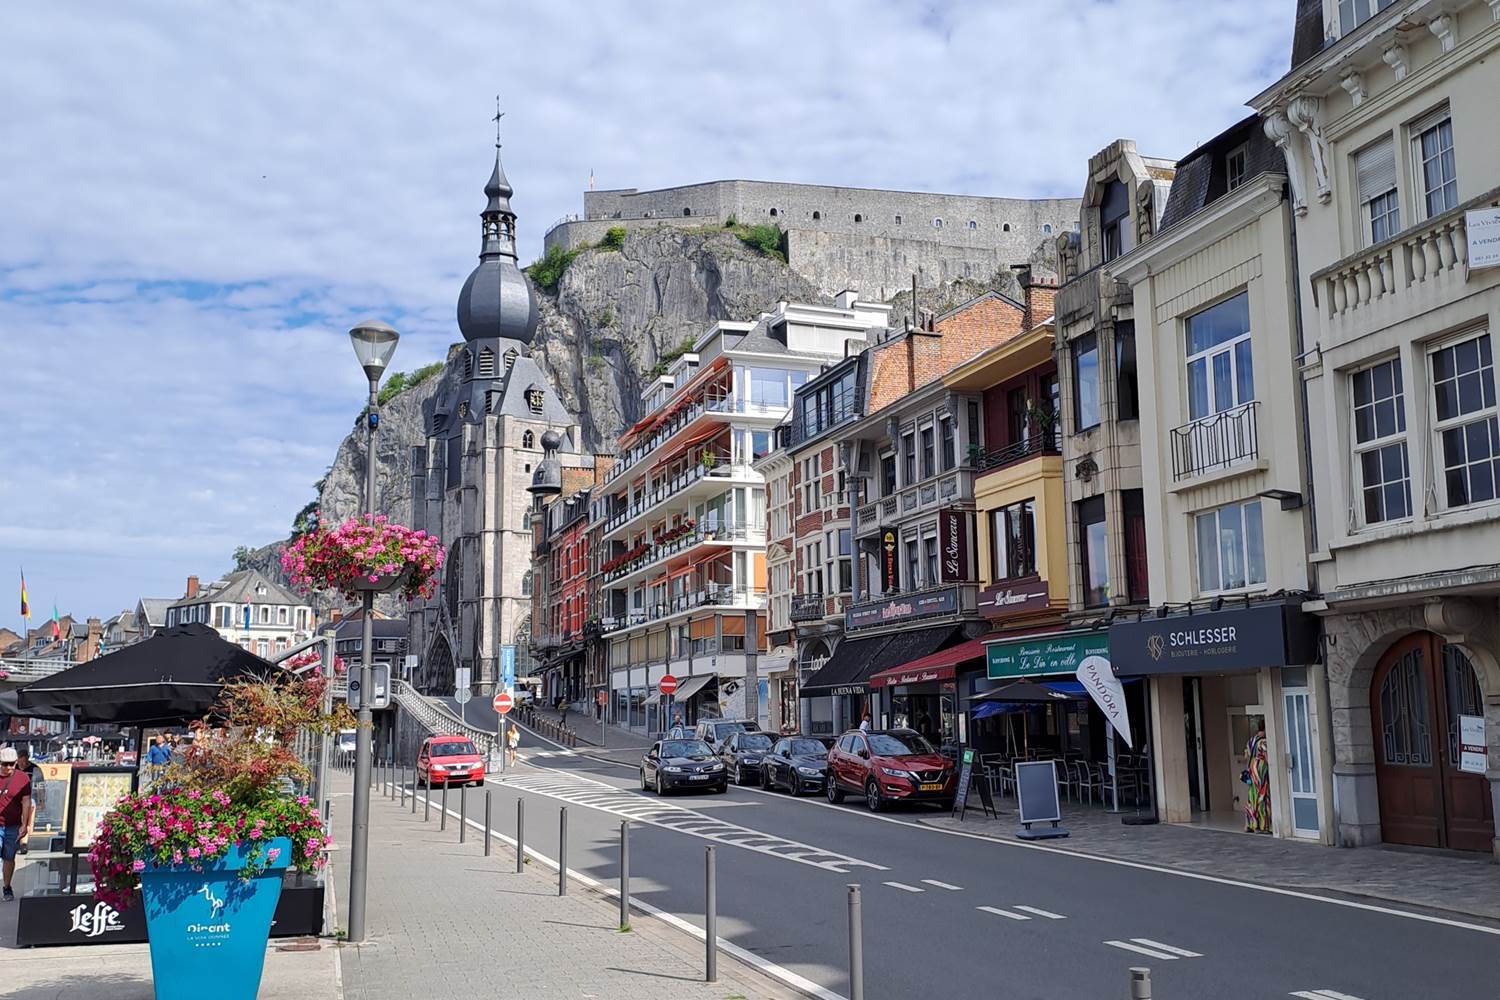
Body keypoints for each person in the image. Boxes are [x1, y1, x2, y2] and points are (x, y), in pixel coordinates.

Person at [0, 747, 33, 902]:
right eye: (5, 764)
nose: (8, 768)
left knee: (9, 857)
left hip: (13, 824)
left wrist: (25, 824)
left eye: (12, 764)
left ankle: (7, 886)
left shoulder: (23, 779)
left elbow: (26, 801)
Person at [1242, 720, 1271, 834]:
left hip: (1252, 768)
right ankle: (1263, 825)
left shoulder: (1251, 740)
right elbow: (1267, 756)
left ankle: (1250, 824)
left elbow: (1246, 755)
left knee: (1252, 795)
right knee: (1263, 795)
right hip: (1261, 768)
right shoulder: (1264, 742)